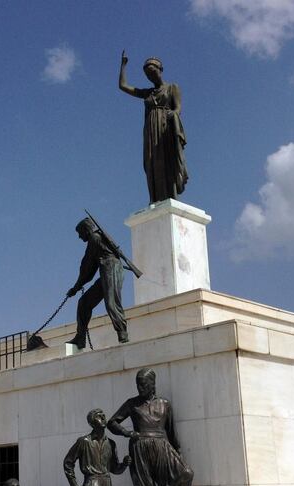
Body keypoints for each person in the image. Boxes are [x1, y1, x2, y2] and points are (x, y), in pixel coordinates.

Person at [108, 368, 199, 486]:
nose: (140, 388)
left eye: (143, 384)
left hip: (162, 446)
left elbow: (171, 431)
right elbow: (112, 422)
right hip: (139, 448)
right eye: (138, 384)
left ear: (152, 384)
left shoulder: (165, 404)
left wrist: (178, 451)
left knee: (187, 473)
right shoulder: (132, 403)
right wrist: (126, 433)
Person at [118, 51, 188, 205]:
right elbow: (123, 86)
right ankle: (155, 198)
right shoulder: (147, 93)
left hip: (165, 128)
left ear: (161, 70)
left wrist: (172, 115)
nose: (151, 76)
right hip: (150, 130)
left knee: (167, 160)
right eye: (148, 75)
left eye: (153, 72)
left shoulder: (172, 88)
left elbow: (178, 109)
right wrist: (123, 65)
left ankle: (172, 195)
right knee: (152, 162)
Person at [64, 408, 131, 486]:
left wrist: (124, 464)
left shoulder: (111, 443)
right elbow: (68, 462)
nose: (103, 418)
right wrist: (74, 485)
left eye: (103, 415)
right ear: (91, 423)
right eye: (98, 416)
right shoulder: (84, 442)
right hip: (91, 484)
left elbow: (115, 469)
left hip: (107, 484)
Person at [67, 218, 128, 349]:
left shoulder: (94, 238)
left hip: (111, 268)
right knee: (84, 303)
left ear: (86, 230)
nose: (79, 237)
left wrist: (75, 287)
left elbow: (87, 266)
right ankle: (80, 338)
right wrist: (77, 287)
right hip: (105, 270)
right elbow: (90, 269)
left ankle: (122, 333)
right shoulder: (95, 239)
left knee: (111, 303)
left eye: (80, 233)